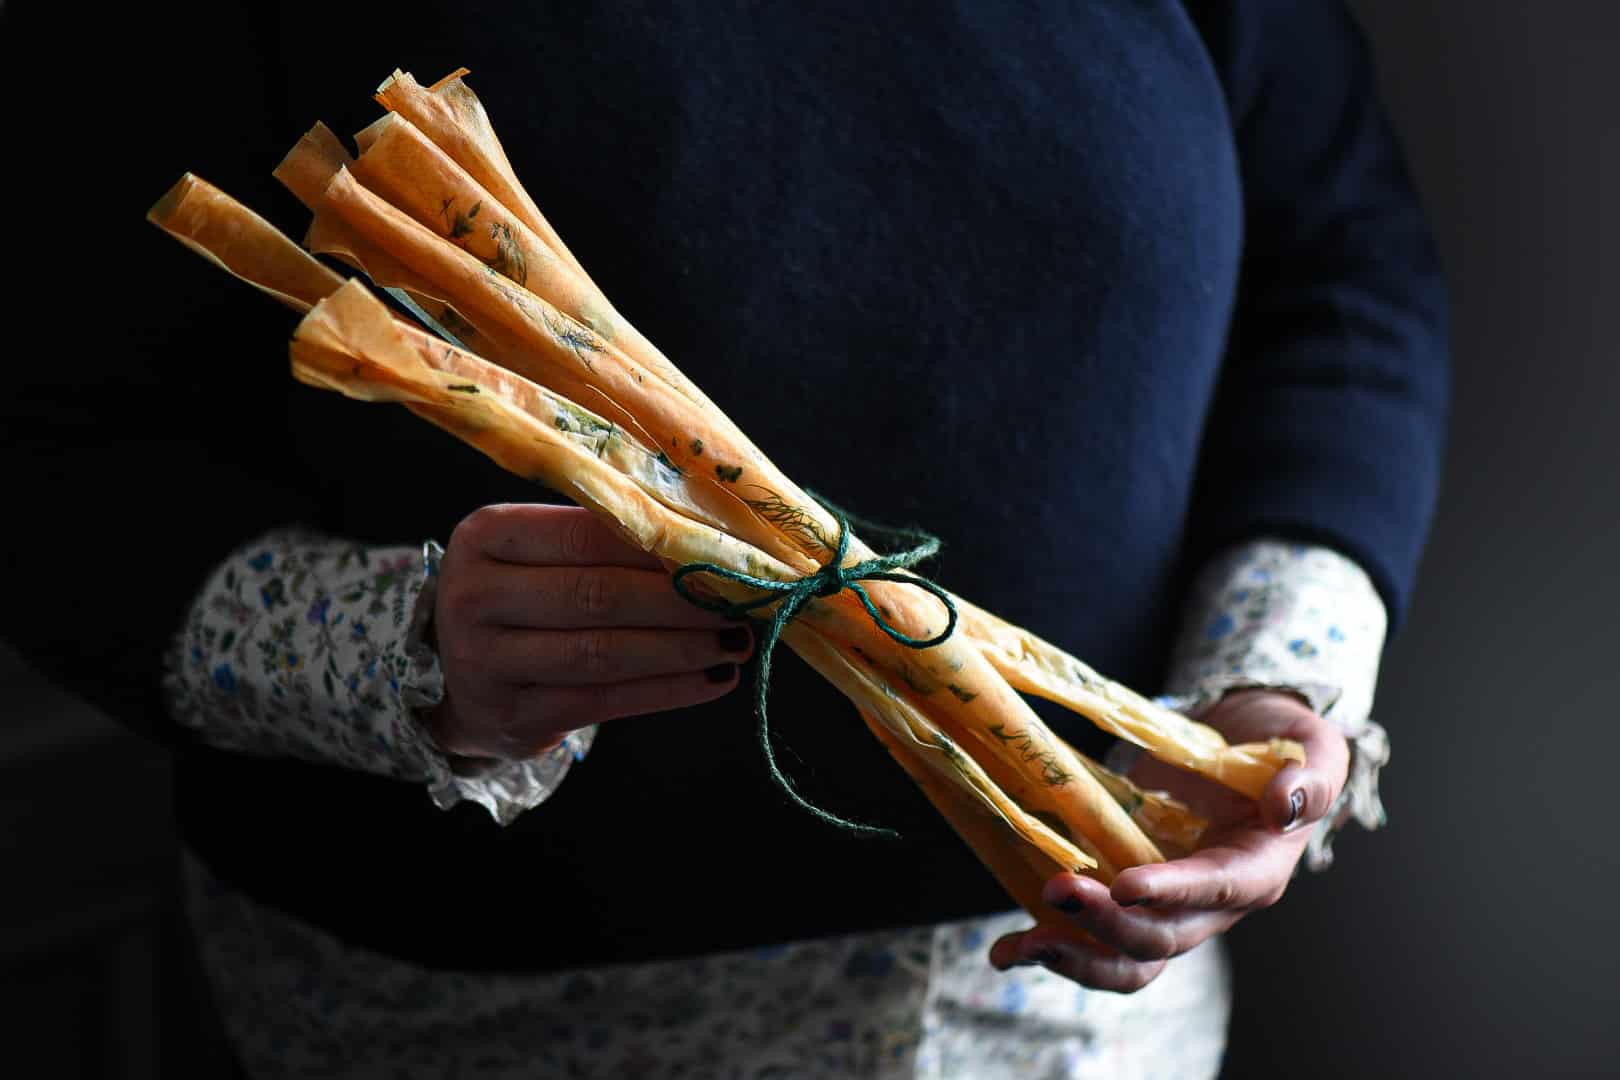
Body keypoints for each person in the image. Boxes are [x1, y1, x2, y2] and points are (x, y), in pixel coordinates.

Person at [7, 1, 1447, 1076]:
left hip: (1072, 1025)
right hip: (472, 1021)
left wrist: (1273, 677)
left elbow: (1338, 269)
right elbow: (55, 459)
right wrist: (394, 647)